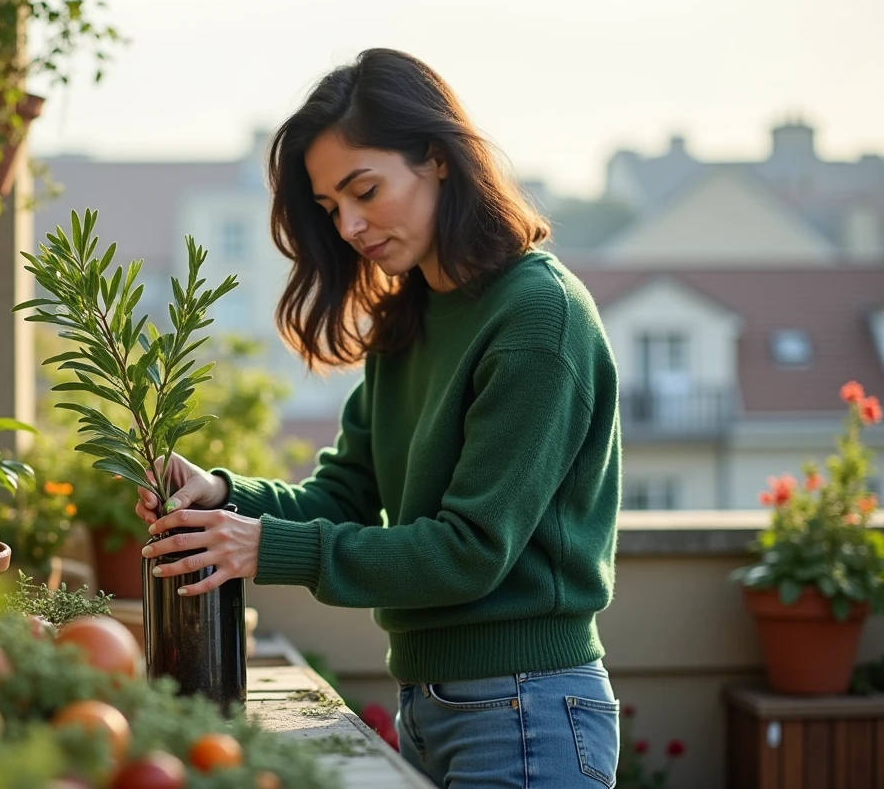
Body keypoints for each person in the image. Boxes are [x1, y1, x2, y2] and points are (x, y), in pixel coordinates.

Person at [134, 48, 621, 789]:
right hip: (436, 705)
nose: (352, 225)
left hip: (528, 708)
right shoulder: (413, 317)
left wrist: (261, 547)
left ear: (439, 159)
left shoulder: (537, 318)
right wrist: (225, 497)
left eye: (365, 190)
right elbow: (344, 495)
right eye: (332, 209)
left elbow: (468, 551)